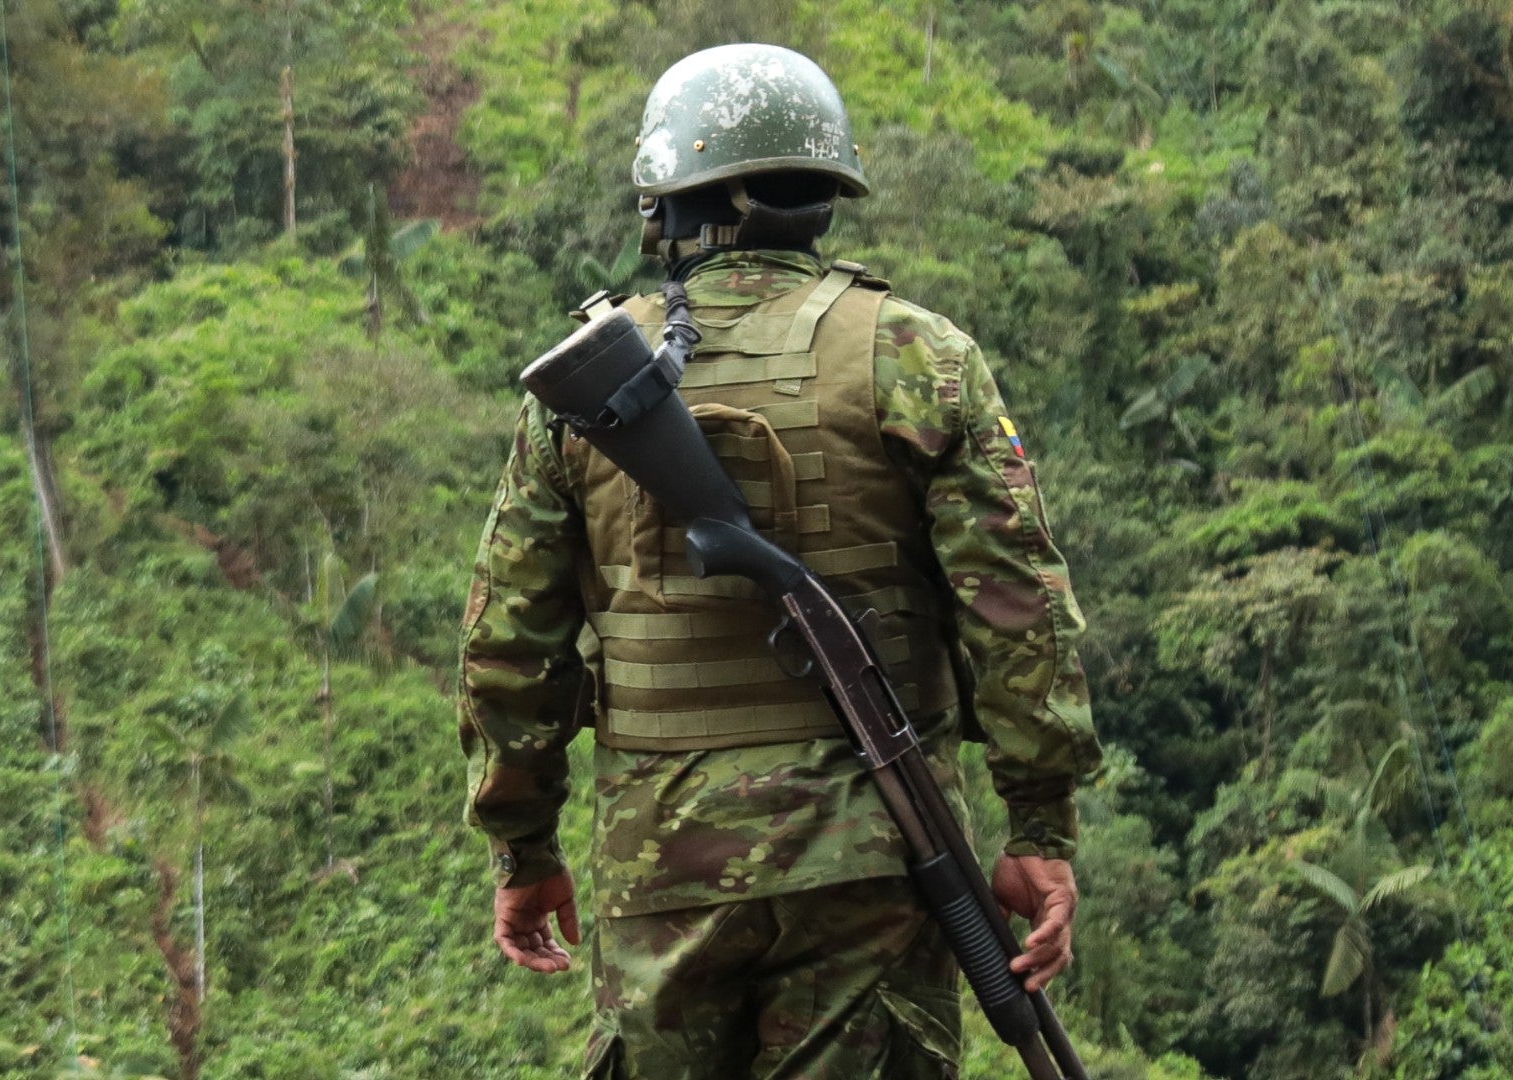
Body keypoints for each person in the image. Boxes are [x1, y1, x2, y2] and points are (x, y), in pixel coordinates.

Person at [457, 43, 1103, 1079]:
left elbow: (509, 647)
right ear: (824, 197)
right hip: (877, 852)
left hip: (663, 867)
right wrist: (1040, 825)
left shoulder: (579, 399)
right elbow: (1019, 613)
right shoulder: (916, 354)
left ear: (664, 200)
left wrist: (523, 849)